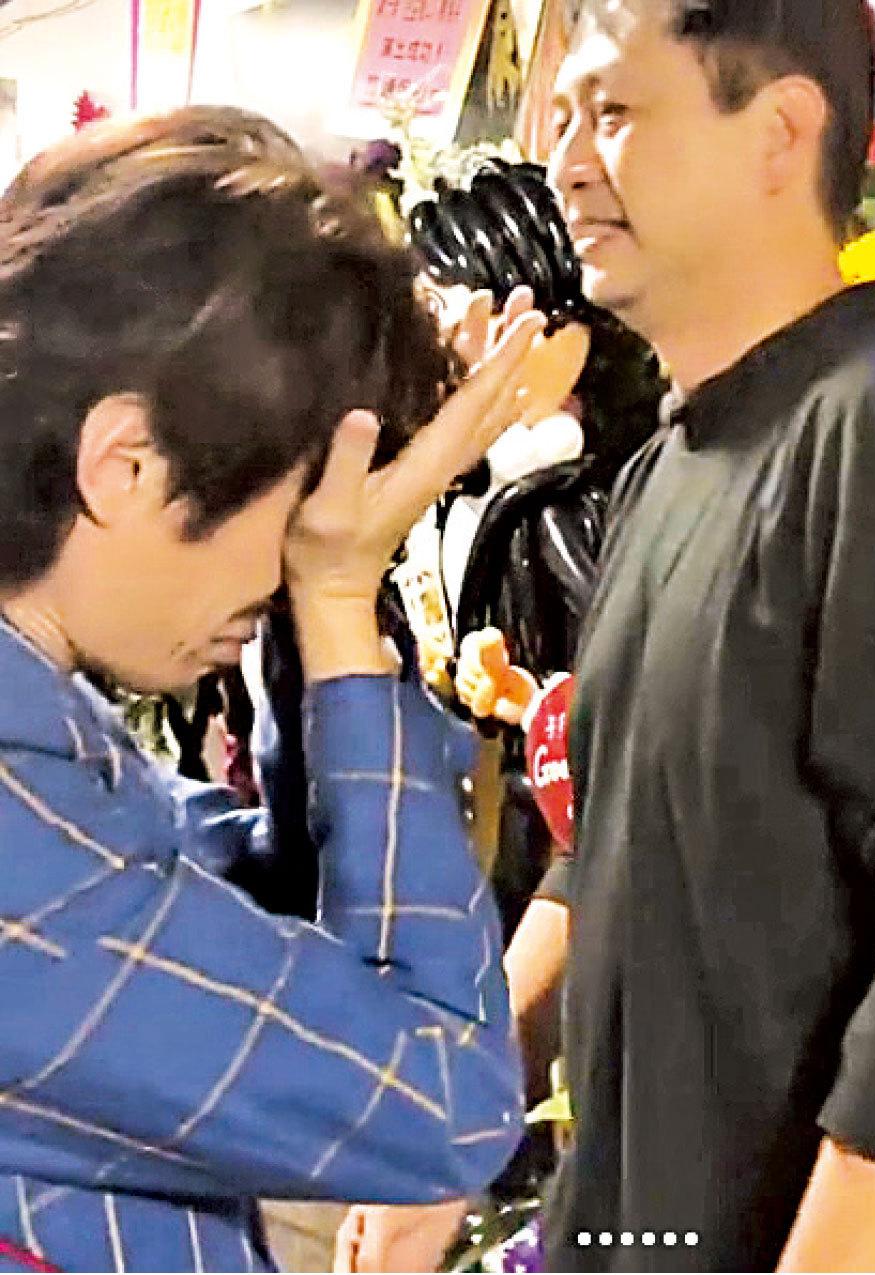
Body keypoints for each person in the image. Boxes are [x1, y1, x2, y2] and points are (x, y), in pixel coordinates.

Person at [349, 0, 875, 1271]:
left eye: (614, 112)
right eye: (561, 118)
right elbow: (601, 841)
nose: (567, 162)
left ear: (779, 132)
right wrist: (453, 1127)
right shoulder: (662, 466)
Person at [0, 106, 553, 1272]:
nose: (294, 553)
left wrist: (320, 622)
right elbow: (443, 1103)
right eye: (295, 502)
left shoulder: (52, 761)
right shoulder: (29, 863)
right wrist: (340, 602)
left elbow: (264, 908)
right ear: (125, 466)